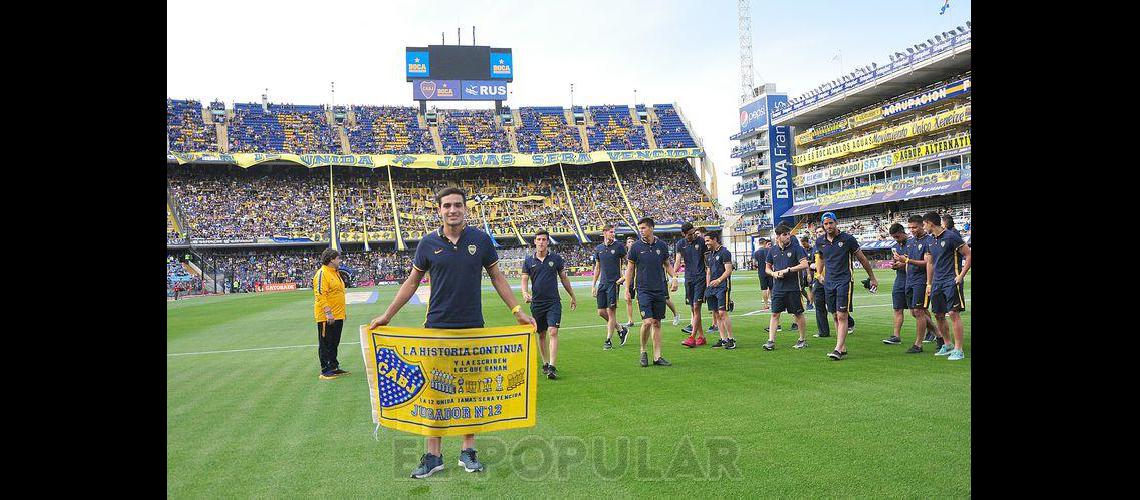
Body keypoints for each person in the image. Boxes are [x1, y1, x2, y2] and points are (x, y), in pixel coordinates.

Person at [367, 187, 536, 479]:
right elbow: (411, 283)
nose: (452, 210)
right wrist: (387, 315)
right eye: (447, 206)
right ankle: (433, 456)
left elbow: (497, 277)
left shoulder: (481, 241)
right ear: (439, 210)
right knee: (434, 393)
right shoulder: (427, 243)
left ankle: (467, 452)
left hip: (472, 327)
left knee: (470, 392)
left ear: (465, 209)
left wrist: (517, 310)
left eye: (457, 205)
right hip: (437, 328)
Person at [815, 212, 877, 360]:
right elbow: (821, 258)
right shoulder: (820, 242)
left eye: (831, 223)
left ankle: (837, 348)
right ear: (823, 225)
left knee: (842, 315)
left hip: (845, 281)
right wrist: (818, 273)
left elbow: (862, 258)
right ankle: (842, 347)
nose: (828, 226)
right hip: (828, 282)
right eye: (826, 224)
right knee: (835, 315)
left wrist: (872, 277)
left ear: (836, 223)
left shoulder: (848, 239)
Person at [522, 230, 578, 379]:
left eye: (544, 239)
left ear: (548, 242)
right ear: (535, 241)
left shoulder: (556, 259)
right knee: (541, 334)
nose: (541, 242)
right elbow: (524, 280)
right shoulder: (528, 261)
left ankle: (552, 366)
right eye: (539, 239)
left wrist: (572, 295)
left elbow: (564, 278)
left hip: (553, 302)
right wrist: (524, 293)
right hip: (537, 304)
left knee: (553, 331)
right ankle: (545, 363)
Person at [623, 217, 678, 367]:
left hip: (659, 288)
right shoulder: (635, 247)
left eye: (643, 228)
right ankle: (643, 351)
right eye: (640, 228)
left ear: (651, 228)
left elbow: (667, 264)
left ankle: (657, 356)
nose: (641, 230)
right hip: (643, 290)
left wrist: (674, 277)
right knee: (647, 322)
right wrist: (627, 289)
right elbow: (630, 269)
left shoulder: (662, 245)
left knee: (657, 323)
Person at [923, 211, 972, 361]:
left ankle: (959, 349)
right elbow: (930, 263)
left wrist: (961, 275)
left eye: (924, 224)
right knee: (938, 314)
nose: (924, 227)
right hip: (937, 283)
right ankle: (948, 344)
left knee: (953, 314)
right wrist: (929, 283)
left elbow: (968, 254)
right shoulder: (930, 241)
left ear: (931, 223)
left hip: (951, 281)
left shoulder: (951, 236)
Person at [892, 215, 943, 353]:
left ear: (922, 225)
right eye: (909, 228)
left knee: (919, 311)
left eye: (914, 227)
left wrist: (928, 283)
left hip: (921, 281)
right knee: (914, 312)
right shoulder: (910, 242)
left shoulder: (929, 241)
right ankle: (939, 335)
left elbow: (928, 263)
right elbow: (908, 260)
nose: (912, 230)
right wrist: (899, 263)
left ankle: (918, 344)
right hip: (910, 281)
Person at [762, 224, 809, 350]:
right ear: (778, 237)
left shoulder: (797, 248)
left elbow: (804, 264)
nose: (788, 236)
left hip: (793, 288)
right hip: (778, 288)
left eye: (788, 234)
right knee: (775, 314)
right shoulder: (772, 250)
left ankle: (802, 339)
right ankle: (770, 341)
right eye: (784, 234)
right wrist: (774, 273)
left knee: (798, 314)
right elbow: (767, 268)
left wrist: (789, 270)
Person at [810, 226, 855, 338]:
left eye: (821, 231)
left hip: (837, 279)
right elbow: (814, 262)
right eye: (817, 232)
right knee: (820, 305)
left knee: (839, 310)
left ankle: (849, 323)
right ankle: (823, 331)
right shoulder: (818, 246)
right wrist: (817, 272)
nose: (819, 233)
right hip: (820, 280)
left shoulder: (838, 243)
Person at [591, 224, 629, 350]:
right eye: (611, 232)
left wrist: (623, 278)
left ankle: (608, 340)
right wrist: (593, 285)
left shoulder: (619, 247)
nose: (613, 234)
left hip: (614, 283)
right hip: (602, 283)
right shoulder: (598, 248)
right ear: (605, 233)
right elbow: (597, 267)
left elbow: (630, 263)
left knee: (611, 312)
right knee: (601, 312)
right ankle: (620, 329)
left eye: (614, 232)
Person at [313, 247, 349, 380]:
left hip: (338, 315)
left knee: (334, 342)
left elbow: (338, 293)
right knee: (325, 342)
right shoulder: (322, 273)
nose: (340, 260)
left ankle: (334, 366)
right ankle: (325, 369)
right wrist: (328, 312)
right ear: (331, 260)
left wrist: (342, 313)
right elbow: (320, 294)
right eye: (338, 258)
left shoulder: (335, 273)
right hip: (326, 316)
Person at [675, 222, 708, 347]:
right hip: (688, 278)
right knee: (693, 310)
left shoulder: (701, 242)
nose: (692, 236)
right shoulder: (680, 244)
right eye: (689, 234)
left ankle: (692, 337)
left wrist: (709, 277)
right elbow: (678, 261)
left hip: (700, 278)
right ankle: (702, 337)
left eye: (693, 233)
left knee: (696, 307)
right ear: (683, 234)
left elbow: (706, 260)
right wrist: (674, 276)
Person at [703, 231, 736, 349]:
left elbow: (728, 270)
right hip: (711, 288)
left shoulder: (725, 252)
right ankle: (723, 339)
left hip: (722, 287)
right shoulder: (708, 255)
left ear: (715, 239)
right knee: (716, 314)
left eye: (707, 240)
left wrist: (719, 280)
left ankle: (731, 339)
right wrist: (708, 286)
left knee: (722, 313)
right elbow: (708, 272)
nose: (706, 243)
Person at [882, 223, 910, 345]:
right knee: (897, 308)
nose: (896, 239)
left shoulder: (913, 244)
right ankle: (896, 336)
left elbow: (918, 261)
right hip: (899, 279)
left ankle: (934, 332)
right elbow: (895, 260)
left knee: (917, 311)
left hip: (913, 279)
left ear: (903, 232)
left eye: (897, 236)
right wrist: (894, 265)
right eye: (894, 237)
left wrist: (903, 264)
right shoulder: (895, 246)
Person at [621, 236, 637, 328]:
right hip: (629, 280)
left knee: (640, 301)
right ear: (626, 244)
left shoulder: (637, 253)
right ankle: (630, 320)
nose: (631, 243)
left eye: (632, 241)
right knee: (628, 300)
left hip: (638, 280)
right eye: (629, 242)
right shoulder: (626, 256)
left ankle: (646, 318)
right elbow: (628, 270)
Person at [753, 237, 773, 311]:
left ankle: (766, 305)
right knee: (772, 288)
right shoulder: (769, 250)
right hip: (770, 271)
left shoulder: (756, 252)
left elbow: (754, 264)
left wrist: (758, 267)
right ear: (765, 243)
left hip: (761, 272)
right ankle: (774, 303)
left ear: (759, 243)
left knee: (764, 289)